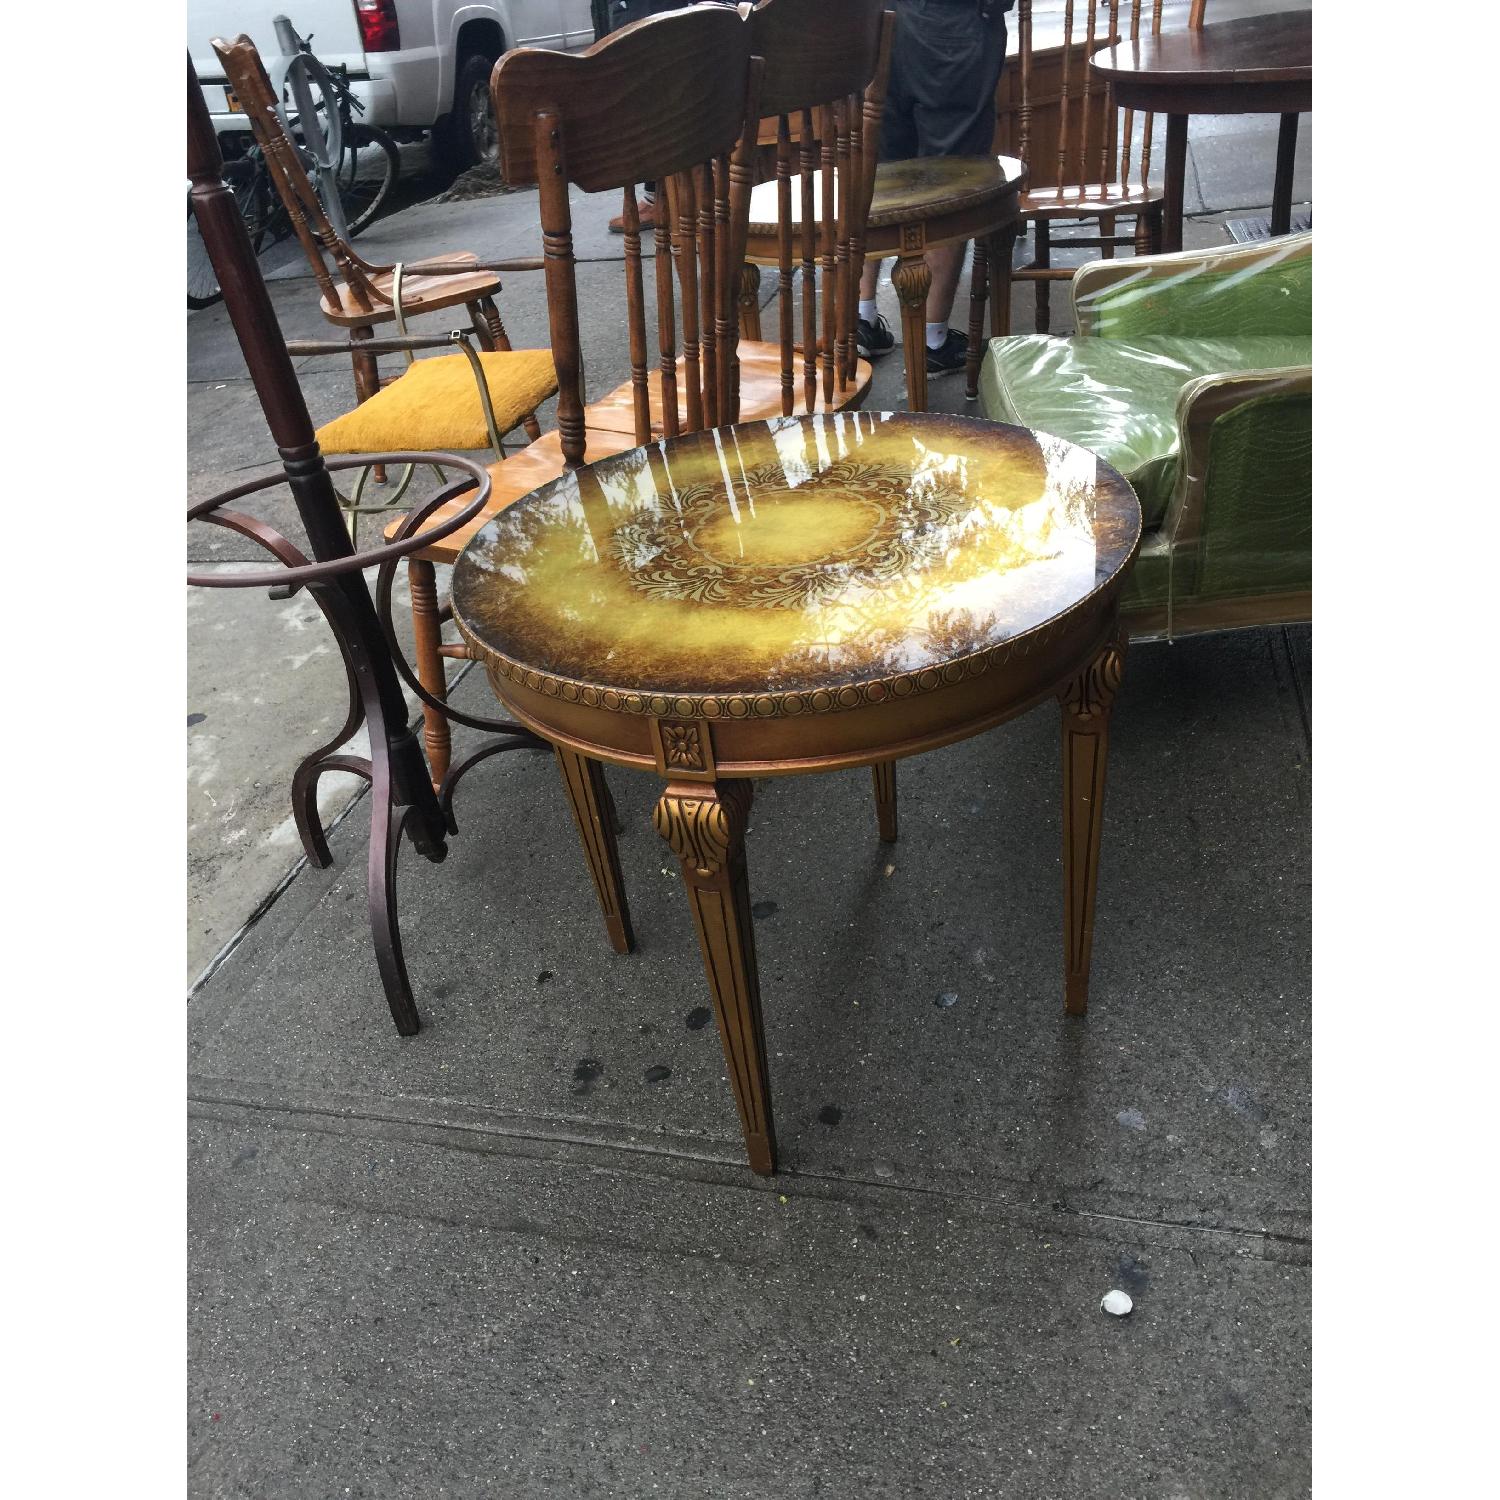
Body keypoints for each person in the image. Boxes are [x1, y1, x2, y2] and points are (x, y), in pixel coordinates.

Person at [857, 0, 1013, 377]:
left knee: (877, 172)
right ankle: (932, 341)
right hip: (948, 26)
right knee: (952, 177)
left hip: (874, 18)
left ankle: (861, 320)